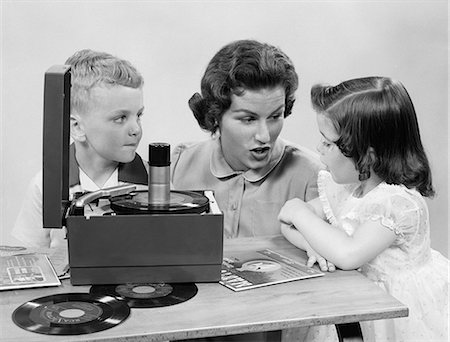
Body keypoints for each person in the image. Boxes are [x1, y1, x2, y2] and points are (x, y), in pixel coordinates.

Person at [278, 76, 449, 341]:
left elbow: (347, 254)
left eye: (328, 142)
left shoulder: (397, 204)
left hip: (392, 319)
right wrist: (313, 244)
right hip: (356, 304)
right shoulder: (349, 189)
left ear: (367, 155)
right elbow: (286, 222)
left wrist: (298, 211)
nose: (318, 148)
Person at [171, 39, 322, 240]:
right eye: (248, 119)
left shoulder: (313, 176)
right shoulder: (180, 163)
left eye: (275, 116)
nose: (264, 136)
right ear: (215, 115)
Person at [12, 49, 147, 248]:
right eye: (120, 118)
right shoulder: (45, 187)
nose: (136, 129)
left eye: (139, 115)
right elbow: (30, 259)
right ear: (77, 127)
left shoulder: (155, 183)